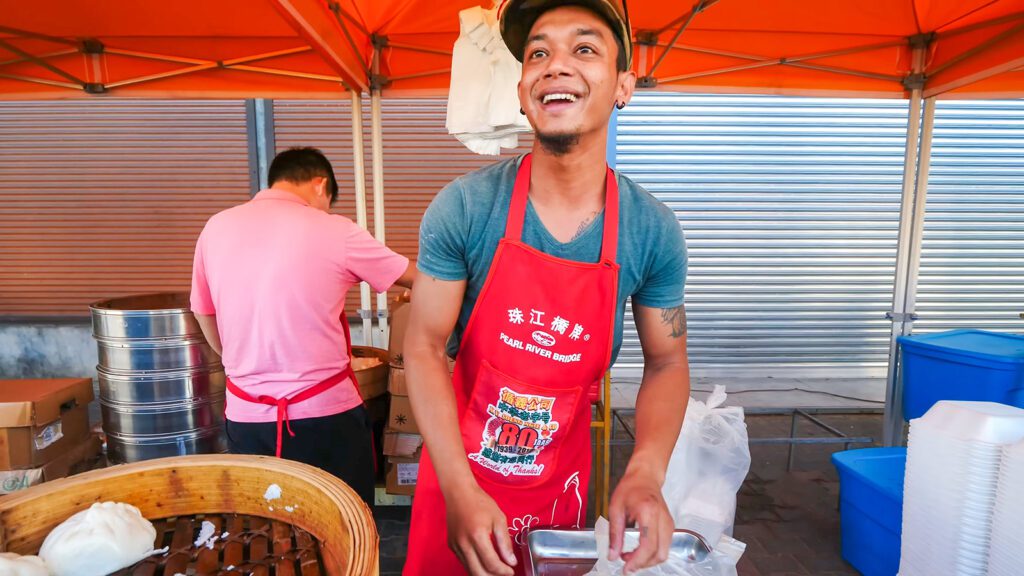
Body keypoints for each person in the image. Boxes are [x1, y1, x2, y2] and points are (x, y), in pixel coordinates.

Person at [402, 1, 691, 574]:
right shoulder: (465, 208)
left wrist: (645, 472)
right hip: (458, 471)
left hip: (560, 476)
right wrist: (459, 489)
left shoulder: (651, 229)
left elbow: (666, 363)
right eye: (539, 52)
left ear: (623, 86)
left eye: (584, 49)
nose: (556, 65)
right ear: (521, 88)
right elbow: (425, 345)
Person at [190, 147, 414, 507]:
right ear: (320, 185)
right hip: (325, 416)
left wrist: (236, 362)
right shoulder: (335, 230)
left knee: (266, 527)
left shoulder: (216, 227)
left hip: (246, 416)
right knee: (346, 524)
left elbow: (203, 312)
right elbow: (415, 279)